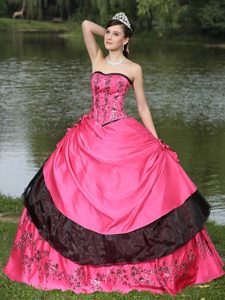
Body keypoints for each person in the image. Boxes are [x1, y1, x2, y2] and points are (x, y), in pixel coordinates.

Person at [3, 12, 224, 296]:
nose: (108, 37)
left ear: (127, 40)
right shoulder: (97, 58)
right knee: (72, 194)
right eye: (107, 33)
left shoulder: (134, 69)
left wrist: (157, 142)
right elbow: (84, 25)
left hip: (120, 132)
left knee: (123, 197)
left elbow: (142, 107)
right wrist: (112, 29)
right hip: (89, 133)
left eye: (116, 34)